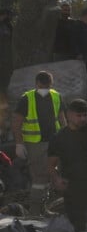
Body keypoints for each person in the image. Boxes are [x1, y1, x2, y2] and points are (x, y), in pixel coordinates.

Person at [47, 99, 87, 231]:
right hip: (72, 187)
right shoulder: (59, 138)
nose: (83, 119)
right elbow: (51, 165)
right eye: (79, 116)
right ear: (69, 115)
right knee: (77, 225)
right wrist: (56, 179)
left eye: (85, 115)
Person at [13, 71, 64, 214]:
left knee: (50, 175)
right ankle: (35, 211)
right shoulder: (27, 98)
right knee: (39, 177)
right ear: (36, 84)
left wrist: (66, 138)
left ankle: (43, 208)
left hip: (54, 141)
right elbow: (17, 122)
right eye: (43, 86)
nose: (45, 89)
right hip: (35, 144)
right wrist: (19, 143)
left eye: (47, 86)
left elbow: (62, 119)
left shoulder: (56, 96)